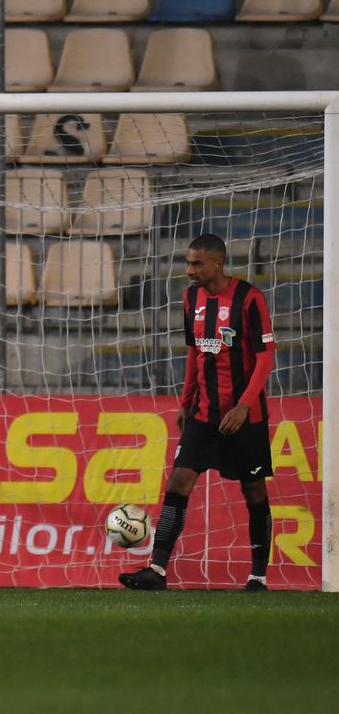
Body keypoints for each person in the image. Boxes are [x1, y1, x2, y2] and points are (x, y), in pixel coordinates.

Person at [120, 233, 276, 591]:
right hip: (204, 414)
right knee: (178, 482)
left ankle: (258, 576)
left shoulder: (249, 298)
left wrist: (244, 405)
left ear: (217, 264)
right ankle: (157, 570)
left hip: (244, 418)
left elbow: (265, 358)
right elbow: (195, 352)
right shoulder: (191, 299)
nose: (189, 270)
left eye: (196, 264)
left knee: (254, 491)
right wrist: (186, 401)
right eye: (188, 263)